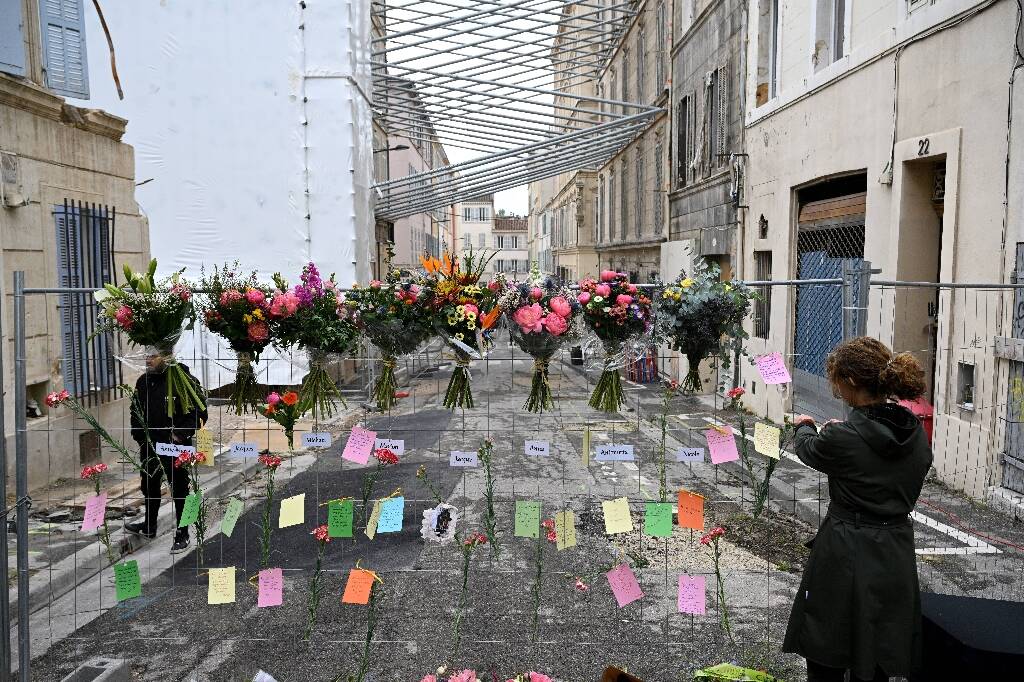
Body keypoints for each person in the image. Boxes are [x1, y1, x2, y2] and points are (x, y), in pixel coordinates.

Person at [783, 336, 932, 682]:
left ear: (849, 382)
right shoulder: (914, 434)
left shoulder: (842, 440)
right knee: (881, 644)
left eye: (835, 382)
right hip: (894, 548)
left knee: (828, 643)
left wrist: (805, 425)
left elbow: (810, 450)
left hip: (845, 548)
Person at [125, 352, 208, 553]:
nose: (147, 360)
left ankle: (183, 532)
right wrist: (140, 436)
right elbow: (135, 410)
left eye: (153, 356)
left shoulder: (183, 380)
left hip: (175, 445)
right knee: (149, 485)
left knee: (180, 490)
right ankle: (149, 526)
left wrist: (180, 434)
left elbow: (200, 412)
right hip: (150, 445)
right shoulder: (143, 381)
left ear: (167, 356)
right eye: (146, 356)